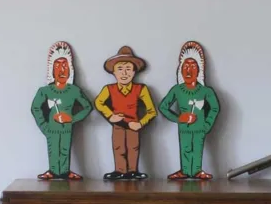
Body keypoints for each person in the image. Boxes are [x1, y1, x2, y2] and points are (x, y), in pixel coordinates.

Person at [30, 41, 92, 180]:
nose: (62, 70)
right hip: (51, 127)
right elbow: (35, 108)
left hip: (67, 127)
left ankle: (64, 171)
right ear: (52, 70)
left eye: (65, 66)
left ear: (70, 69)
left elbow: (88, 107)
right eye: (57, 66)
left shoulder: (74, 90)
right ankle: (52, 171)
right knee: (53, 149)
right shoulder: (45, 91)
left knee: (65, 148)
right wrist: (44, 126)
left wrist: (72, 118)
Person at [158, 41, 220, 180]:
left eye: (193, 66)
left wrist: (207, 125)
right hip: (184, 128)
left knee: (197, 149)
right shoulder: (177, 90)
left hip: (200, 128)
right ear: (180, 69)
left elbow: (215, 108)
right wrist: (178, 118)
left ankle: (197, 171)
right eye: (185, 66)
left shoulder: (205, 91)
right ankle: (185, 171)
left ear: (199, 70)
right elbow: (163, 107)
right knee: (185, 149)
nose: (188, 70)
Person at [93, 46, 156, 180]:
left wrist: (140, 123)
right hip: (118, 124)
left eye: (128, 69)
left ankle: (133, 170)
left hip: (133, 124)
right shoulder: (109, 89)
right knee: (118, 147)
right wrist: (110, 115)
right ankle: (120, 170)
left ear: (134, 72)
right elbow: (99, 102)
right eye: (120, 69)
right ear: (114, 72)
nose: (124, 73)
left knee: (133, 147)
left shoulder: (141, 89)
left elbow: (151, 111)